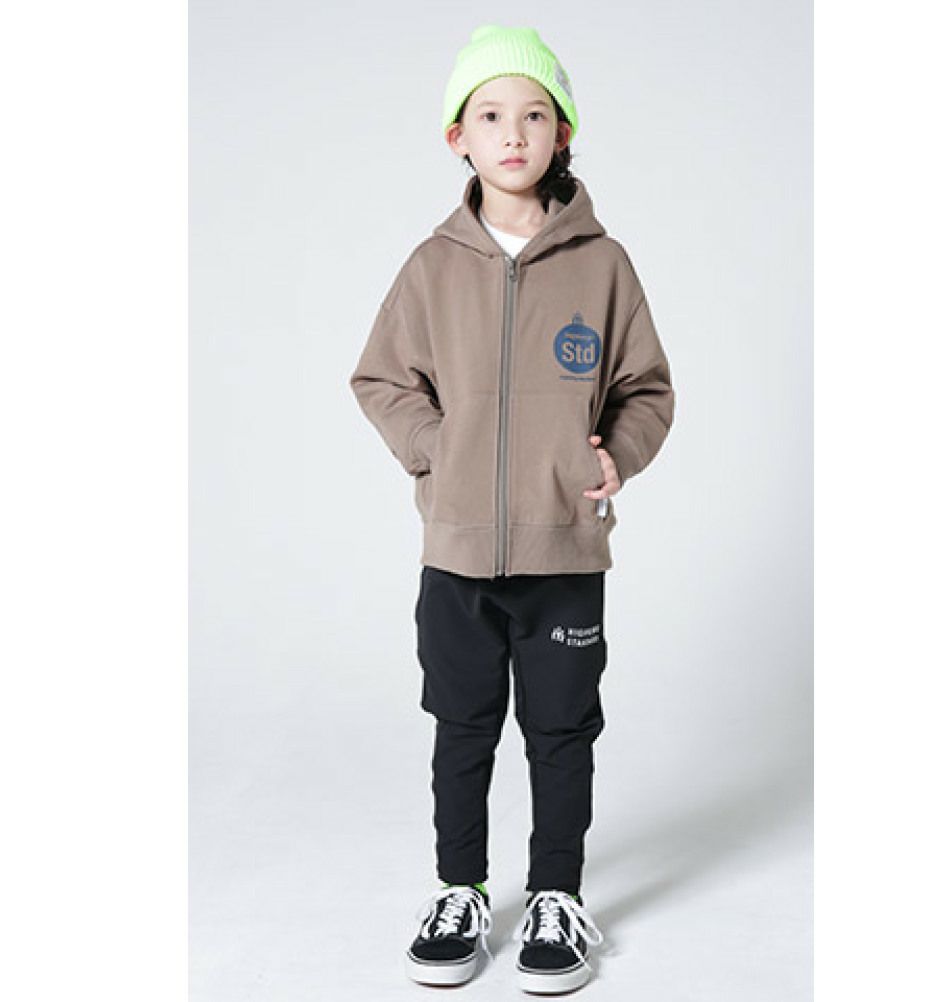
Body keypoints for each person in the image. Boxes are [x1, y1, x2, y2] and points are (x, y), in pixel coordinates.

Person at [349, 24, 676, 994]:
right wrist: (438, 450)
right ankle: (459, 890)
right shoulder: (432, 265)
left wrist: (617, 454)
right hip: (456, 556)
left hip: (564, 551)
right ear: (458, 136)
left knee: (561, 731)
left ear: (562, 132)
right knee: (462, 726)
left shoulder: (602, 265)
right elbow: (381, 379)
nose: (514, 133)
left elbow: (647, 390)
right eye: (491, 115)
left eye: (535, 114)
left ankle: (556, 898)